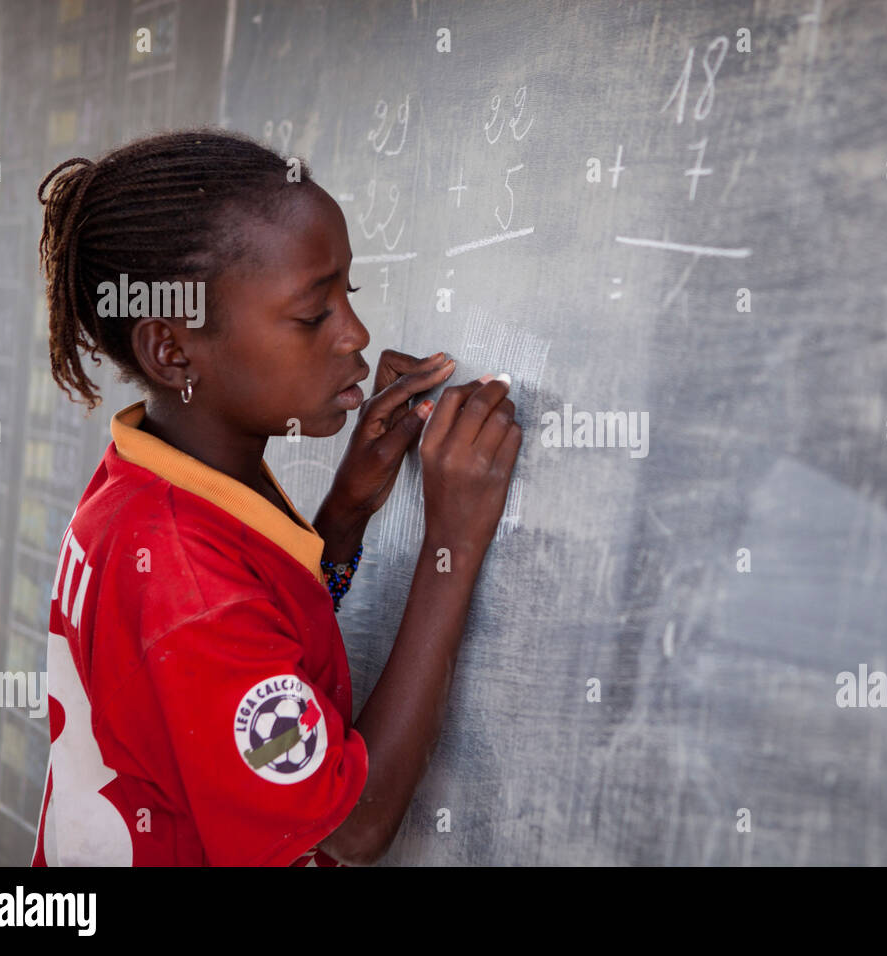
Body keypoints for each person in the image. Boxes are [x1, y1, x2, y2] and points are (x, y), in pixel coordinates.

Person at [29, 128, 521, 866]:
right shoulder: (179, 575)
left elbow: (257, 641)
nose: (355, 334)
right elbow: (348, 825)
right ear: (173, 350)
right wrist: (451, 544)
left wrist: (346, 514)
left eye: (346, 296)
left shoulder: (145, 484)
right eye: (311, 314)